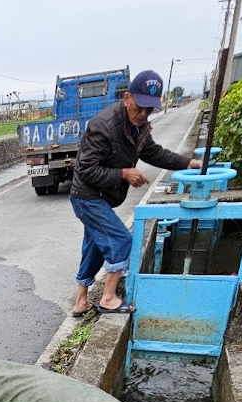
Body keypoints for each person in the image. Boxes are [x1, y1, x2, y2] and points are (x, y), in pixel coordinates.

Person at [69, 69, 201, 317]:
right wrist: (123, 173)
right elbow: (86, 170)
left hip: (101, 197)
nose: (142, 114)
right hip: (86, 196)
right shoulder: (104, 126)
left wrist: (188, 163)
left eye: (149, 110)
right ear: (127, 97)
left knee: (95, 247)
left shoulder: (137, 130)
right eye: (139, 107)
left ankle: (81, 302)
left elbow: (156, 153)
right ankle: (108, 298)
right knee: (120, 240)